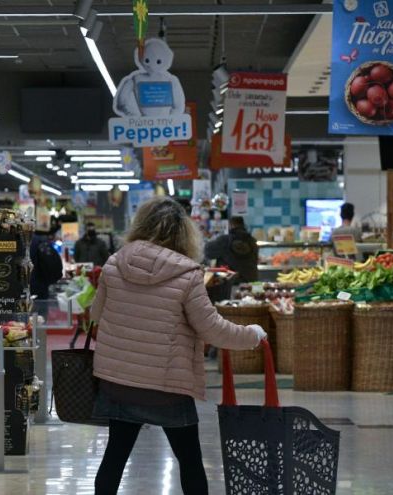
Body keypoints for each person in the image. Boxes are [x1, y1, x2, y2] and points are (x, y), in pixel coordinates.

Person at [90, 197, 266, 495]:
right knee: (190, 461)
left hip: (119, 384)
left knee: (114, 457)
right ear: (184, 233)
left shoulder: (114, 263)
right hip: (167, 388)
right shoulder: (187, 274)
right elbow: (212, 329)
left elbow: (96, 315)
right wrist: (253, 334)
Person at [204, 216, 260, 283]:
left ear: (230, 225)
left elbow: (207, 252)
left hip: (230, 283)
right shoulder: (252, 241)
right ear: (243, 225)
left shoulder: (224, 240)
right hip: (251, 281)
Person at [30, 225, 64, 300]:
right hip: (41, 285)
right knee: (42, 308)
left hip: (33, 284)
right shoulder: (43, 242)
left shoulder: (31, 241)